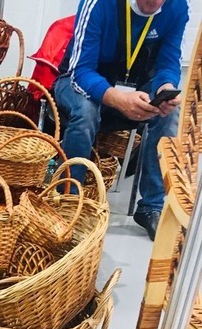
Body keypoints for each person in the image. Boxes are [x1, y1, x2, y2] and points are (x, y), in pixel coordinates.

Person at [53, 0, 189, 240]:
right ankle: (69, 201)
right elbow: (81, 70)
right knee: (85, 113)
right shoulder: (98, 4)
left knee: (170, 113)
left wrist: (165, 88)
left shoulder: (177, 6)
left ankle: (151, 207)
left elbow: (169, 63)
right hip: (80, 81)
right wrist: (116, 98)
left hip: (134, 84)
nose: (155, 3)